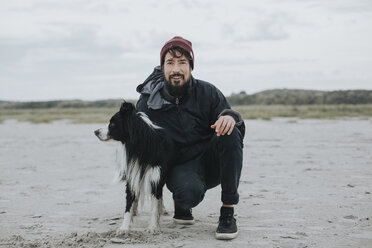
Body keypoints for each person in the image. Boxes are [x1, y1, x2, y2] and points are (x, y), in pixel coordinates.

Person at [136, 36, 245, 240]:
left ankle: (227, 213)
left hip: (211, 159)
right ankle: (182, 203)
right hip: (179, 165)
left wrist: (230, 116)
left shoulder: (208, 91)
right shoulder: (147, 102)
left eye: (182, 62)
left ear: (191, 66)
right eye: (170, 62)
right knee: (188, 195)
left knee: (231, 130)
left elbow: (229, 114)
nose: (176, 69)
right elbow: (140, 144)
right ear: (162, 67)